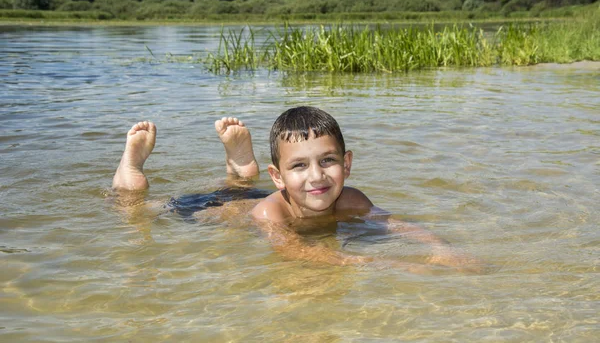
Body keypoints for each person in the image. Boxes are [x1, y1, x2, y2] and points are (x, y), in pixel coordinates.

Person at [112, 107, 484, 273]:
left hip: (269, 195)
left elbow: (400, 226)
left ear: (347, 164)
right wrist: (392, 265)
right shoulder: (269, 215)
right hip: (205, 209)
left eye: (327, 161)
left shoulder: (351, 198)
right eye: (299, 165)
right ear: (281, 176)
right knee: (137, 207)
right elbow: (299, 253)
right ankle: (131, 167)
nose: (316, 176)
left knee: (240, 187)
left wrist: (440, 249)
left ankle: (241, 171)